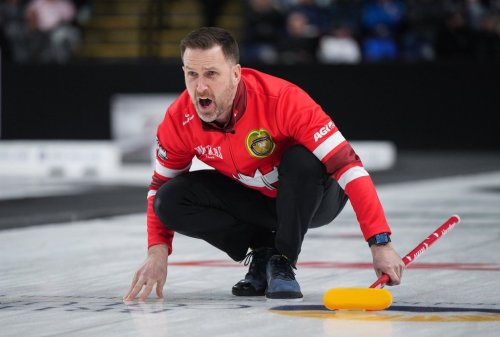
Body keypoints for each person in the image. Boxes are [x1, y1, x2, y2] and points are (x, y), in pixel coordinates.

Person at [123, 27, 405, 302]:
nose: (200, 87)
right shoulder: (178, 120)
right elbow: (158, 186)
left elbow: (349, 167)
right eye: (191, 74)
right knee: (168, 199)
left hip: (317, 198)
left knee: (303, 157)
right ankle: (262, 249)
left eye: (211, 74)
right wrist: (157, 252)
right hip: (257, 200)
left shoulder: (283, 100)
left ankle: (283, 260)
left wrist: (380, 243)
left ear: (235, 74)